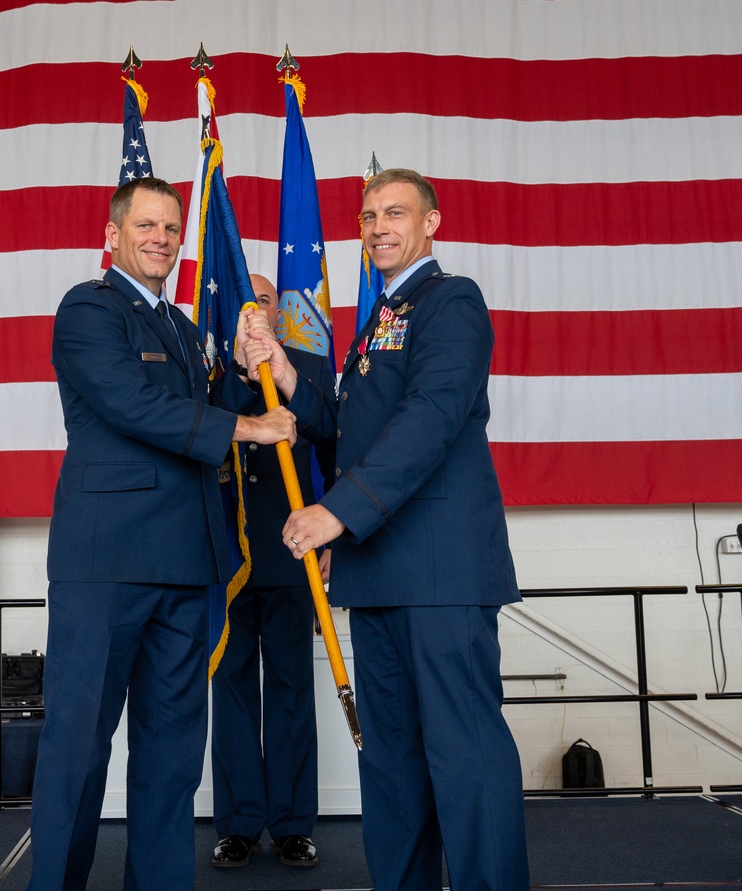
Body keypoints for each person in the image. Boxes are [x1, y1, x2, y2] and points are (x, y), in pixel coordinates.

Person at [27, 177, 298, 891]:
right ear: (113, 235)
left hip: (185, 563)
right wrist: (248, 425)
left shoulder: (181, 328)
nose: (161, 237)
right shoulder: (88, 309)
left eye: (172, 227)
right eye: (146, 224)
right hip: (106, 564)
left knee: (173, 756)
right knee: (78, 748)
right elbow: (133, 405)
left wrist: (247, 371)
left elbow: (203, 408)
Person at [277, 168, 530, 891]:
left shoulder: (450, 301)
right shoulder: (377, 321)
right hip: (380, 572)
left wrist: (337, 512)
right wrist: (290, 377)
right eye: (367, 215)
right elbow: (352, 424)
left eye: (395, 212)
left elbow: (431, 418)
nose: (379, 225)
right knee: (391, 765)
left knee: (465, 754)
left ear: (432, 222)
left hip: (442, 572)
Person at [208, 275, 337, 869]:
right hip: (230, 556)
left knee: (290, 688)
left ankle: (291, 824)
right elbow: (206, 437)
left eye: (262, 300)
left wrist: (337, 527)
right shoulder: (213, 371)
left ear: (276, 311)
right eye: (244, 302)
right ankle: (237, 824)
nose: (254, 310)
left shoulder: (306, 365)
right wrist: (236, 369)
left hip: (292, 550)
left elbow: (333, 441)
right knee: (231, 689)